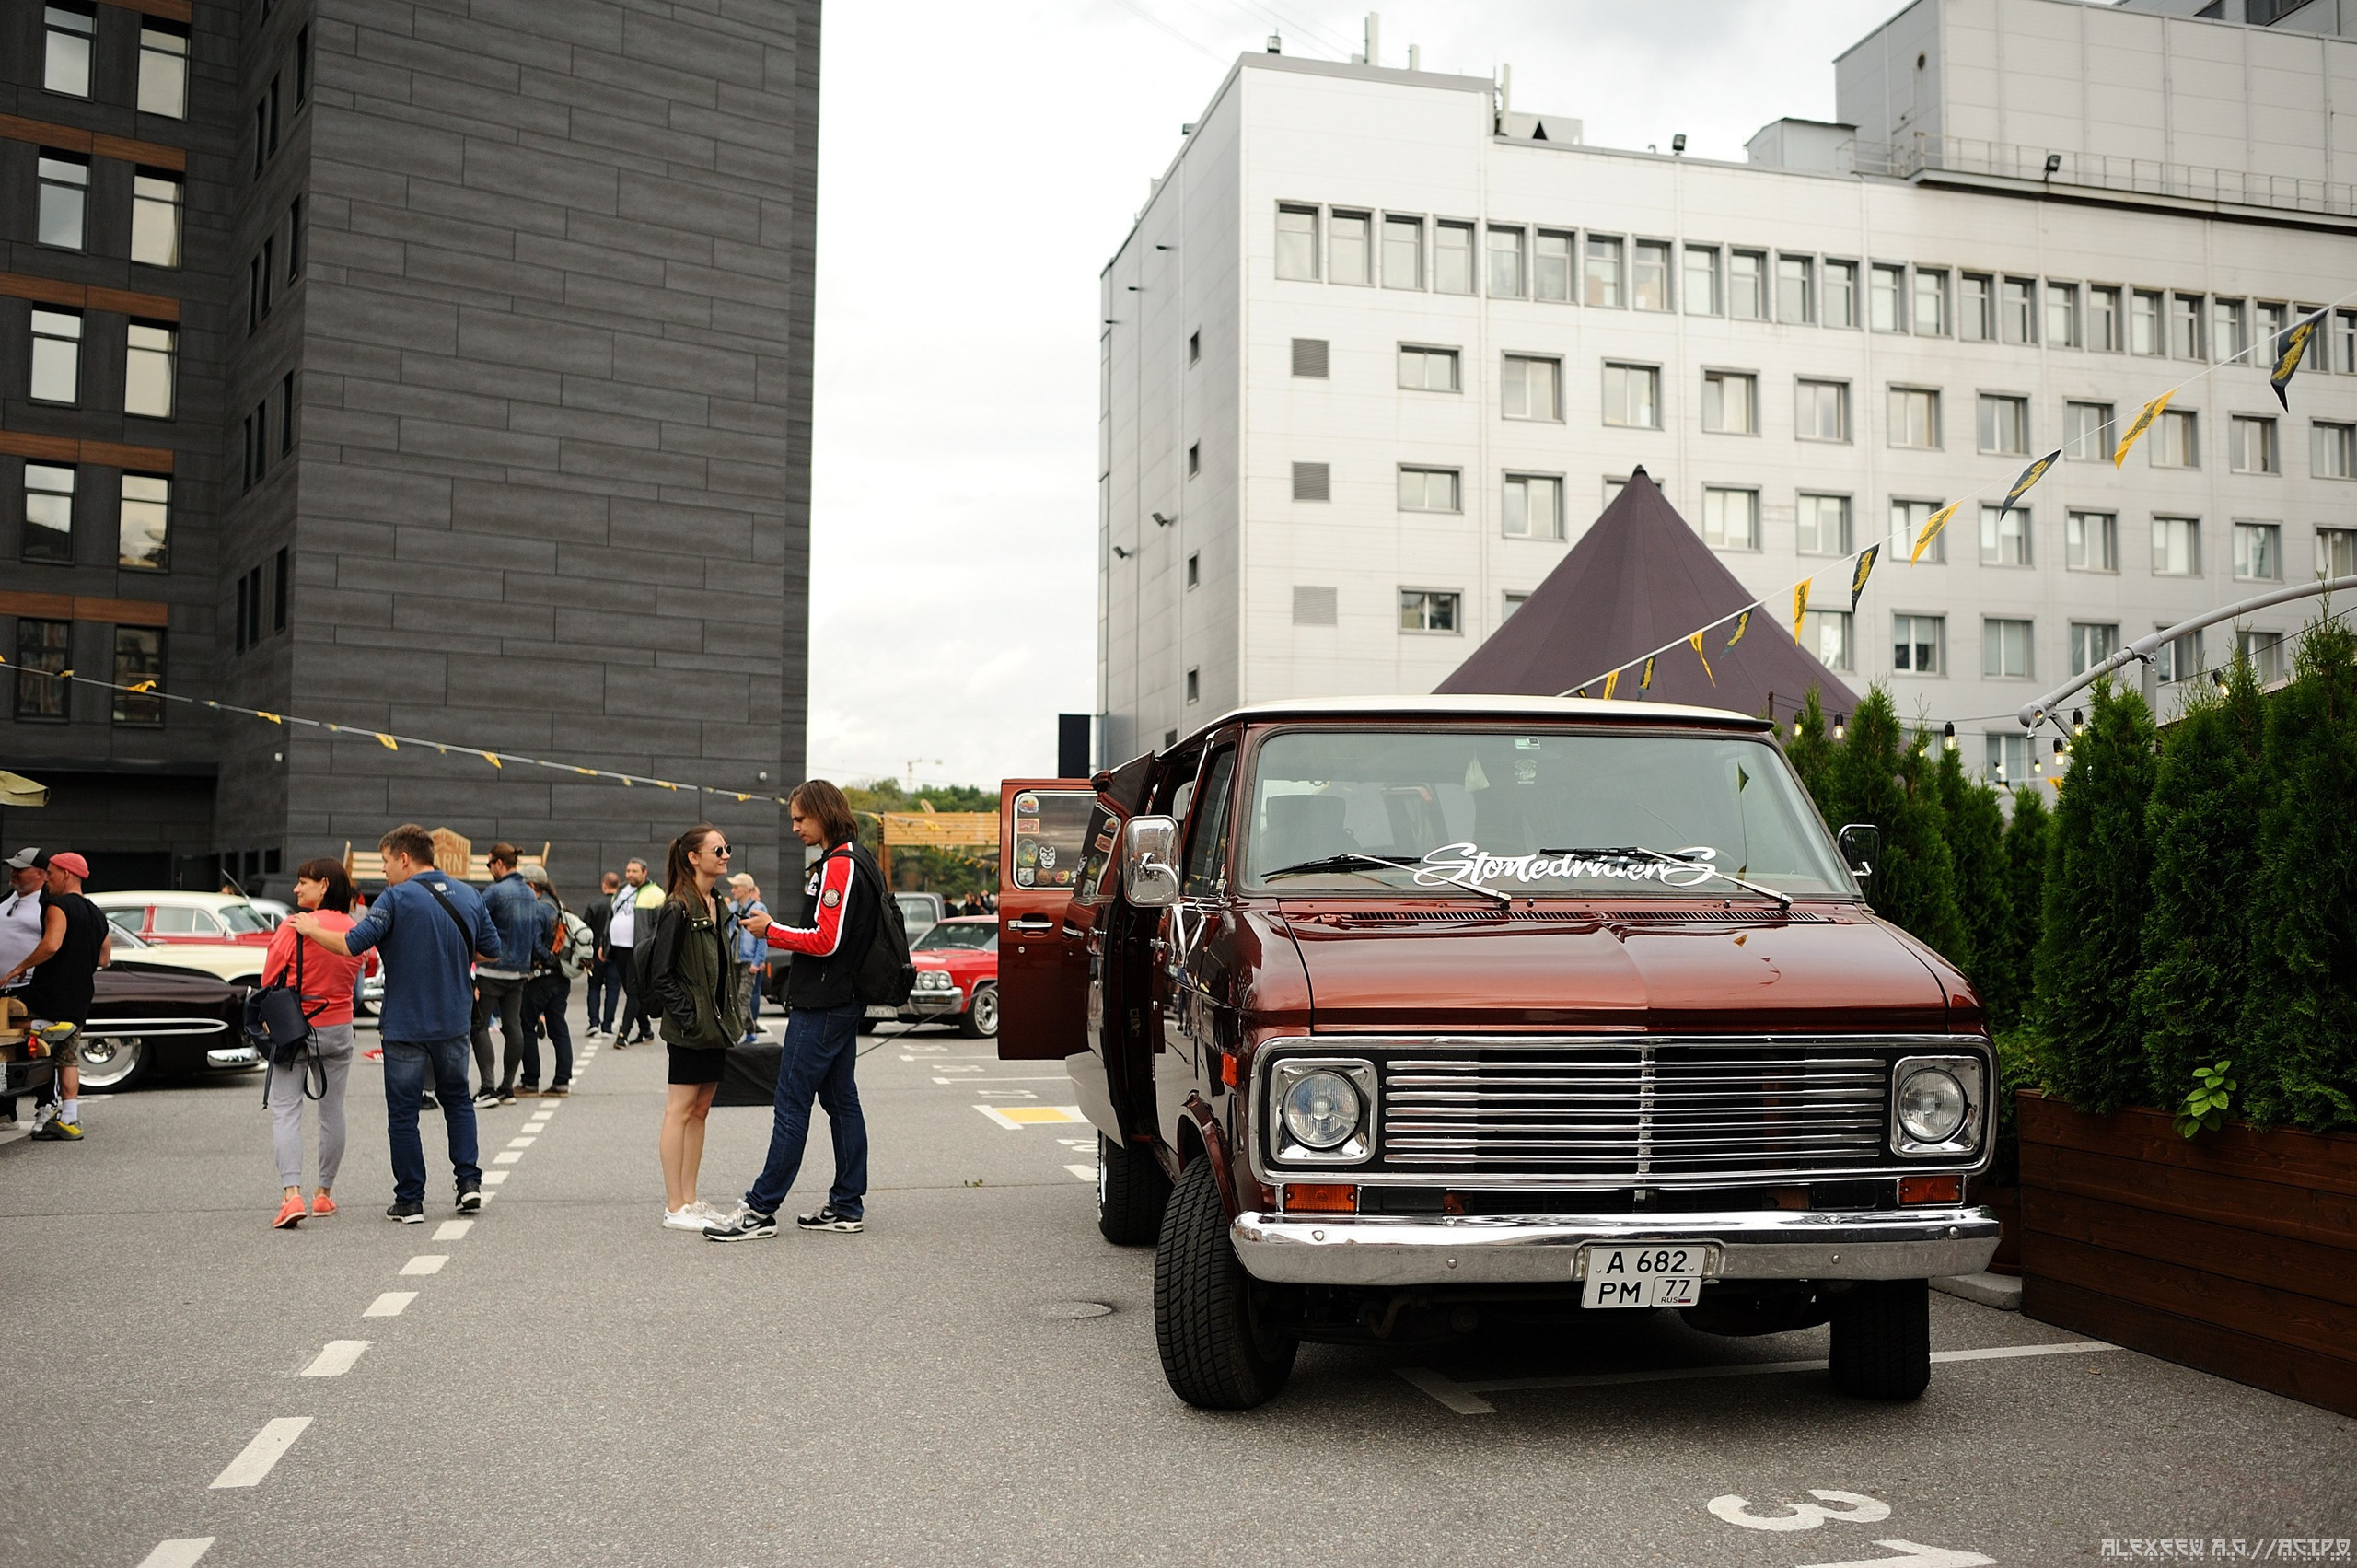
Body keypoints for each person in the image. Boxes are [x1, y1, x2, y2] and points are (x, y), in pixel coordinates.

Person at [291, 823, 500, 1224]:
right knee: (458, 1101)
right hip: (455, 1021)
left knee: (404, 1114)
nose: (384, 871)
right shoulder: (470, 894)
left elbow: (353, 944)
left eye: (386, 861)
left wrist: (312, 928)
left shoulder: (395, 899)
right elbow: (491, 950)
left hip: (405, 1024)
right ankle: (469, 1184)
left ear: (404, 858)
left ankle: (410, 1200)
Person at [707, 781, 874, 1242]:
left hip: (822, 1001)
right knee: (842, 1102)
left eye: (801, 818)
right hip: (842, 998)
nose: (795, 827)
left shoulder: (839, 864)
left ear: (823, 812)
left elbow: (826, 939)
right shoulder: (858, 858)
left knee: (791, 1102)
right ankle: (846, 1204)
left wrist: (770, 930)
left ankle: (760, 1210)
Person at [647, 824, 743, 1231]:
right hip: (692, 1026)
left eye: (727, 849)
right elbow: (660, 973)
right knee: (679, 1109)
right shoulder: (677, 906)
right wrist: (687, 1016)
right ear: (693, 857)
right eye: (718, 849)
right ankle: (675, 1206)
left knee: (700, 1110)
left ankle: (691, 1198)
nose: (725, 856)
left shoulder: (716, 903)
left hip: (716, 1025)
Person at [262, 860, 366, 1228]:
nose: (296, 889)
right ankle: (324, 1194)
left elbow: (269, 977)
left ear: (323, 885)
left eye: (302, 882)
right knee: (332, 1111)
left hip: (296, 1031)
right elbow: (361, 978)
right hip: (340, 1028)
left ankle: (292, 1196)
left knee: (287, 1110)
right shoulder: (356, 929)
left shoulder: (294, 929)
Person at [1, 850, 111, 1141]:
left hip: (49, 995)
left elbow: (51, 944)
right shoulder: (97, 913)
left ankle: (42, 1028)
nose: (47, 878)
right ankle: (70, 1120)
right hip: (79, 999)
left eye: (50, 873)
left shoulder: (57, 905)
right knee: (67, 1058)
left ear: (65, 873)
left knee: (10, 1025)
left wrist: (20, 967)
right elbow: (104, 958)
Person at [470, 843, 551, 1106]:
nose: (489, 869)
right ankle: (507, 1088)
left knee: (479, 1026)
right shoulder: (530, 894)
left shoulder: (495, 892)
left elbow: (476, 924)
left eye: (489, 864)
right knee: (513, 1026)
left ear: (499, 864)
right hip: (519, 971)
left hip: (491, 969)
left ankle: (487, 1088)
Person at [520, 863, 584, 1098]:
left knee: (525, 1025)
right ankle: (561, 1082)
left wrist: (549, 960)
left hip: (540, 978)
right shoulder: (557, 905)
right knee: (558, 1028)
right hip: (561, 979)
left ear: (532, 885)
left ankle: (529, 1081)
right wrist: (559, 964)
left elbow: (535, 945)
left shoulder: (537, 909)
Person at [0, 849, 49, 1127]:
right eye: (13, 867)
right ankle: (5, 1111)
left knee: (36, 1049)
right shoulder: (7, 899)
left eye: (21, 868)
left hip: (31, 989)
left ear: (41, 874)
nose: (14, 872)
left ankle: (46, 1107)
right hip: (2, 991)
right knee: (3, 1052)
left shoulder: (49, 906)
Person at [606, 858, 664, 1048]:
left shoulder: (655, 893)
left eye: (634, 871)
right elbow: (611, 917)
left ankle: (623, 1033)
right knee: (632, 991)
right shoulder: (621, 890)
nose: (630, 874)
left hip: (638, 950)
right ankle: (646, 1030)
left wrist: (651, 946)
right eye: (628, 870)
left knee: (633, 991)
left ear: (644, 873)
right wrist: (603, 943)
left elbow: (659, 924)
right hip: (618, 947)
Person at [726, 873, 768, 1044]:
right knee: (734, 997)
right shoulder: (731, 908)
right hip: (733, 959)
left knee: (743, 997)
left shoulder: (759, 908)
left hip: (748, 959)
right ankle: (746, 1031)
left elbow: (763, 937)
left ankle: (742, 1032)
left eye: (736, 887)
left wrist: (758, 961)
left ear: (746, 889)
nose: (733, 890)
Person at [582, 870, 621, 1039]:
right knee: (613, 989)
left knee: (594, 987)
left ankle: (593, 1023)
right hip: (616, 953)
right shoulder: (620, 906)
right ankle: (607, 1026)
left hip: (595, 953)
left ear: (604, 885)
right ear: (618, 886)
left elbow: (585, 930)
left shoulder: (594, 905)